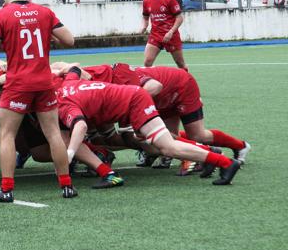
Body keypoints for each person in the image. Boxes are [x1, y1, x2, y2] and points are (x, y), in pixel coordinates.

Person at [0, 0, 77, 203]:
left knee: (7, 135)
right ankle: (66, 186)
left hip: (18, 84)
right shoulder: (44, 12)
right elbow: (69, 40)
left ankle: (6, 190)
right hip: (44, 82)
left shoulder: (1, 15)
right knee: (53, 133)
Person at [57, 78, 242, 186]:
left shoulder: (62, 104)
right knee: (163, 144)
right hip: (133, 97)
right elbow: (73, 67)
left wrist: (69, 155)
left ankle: (225, 162)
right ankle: (215, 158)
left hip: (134, 103)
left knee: (167, 148)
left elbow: (80, 127)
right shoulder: (66, 83)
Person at [139, 0, 187, 70]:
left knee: (180, 64)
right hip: (155, 35)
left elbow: (179, 18)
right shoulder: (146, 0)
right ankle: (153, 83)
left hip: (171, 35)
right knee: (147, 62)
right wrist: (144, 27)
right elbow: (145, 17)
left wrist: (171, 32)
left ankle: (187, 82)